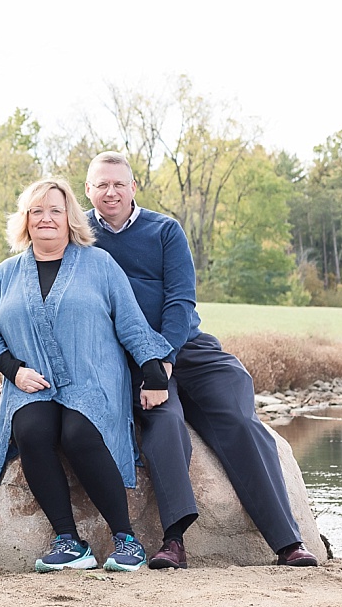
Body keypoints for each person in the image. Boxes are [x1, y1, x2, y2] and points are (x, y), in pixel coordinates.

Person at [85, 151, 319, 568]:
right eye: (101, 184)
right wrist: (148, 369)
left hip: (185, 345)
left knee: (237, 415)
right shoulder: (79, 233)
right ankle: (174, 540)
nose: (110, 192)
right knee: (165, 420)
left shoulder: (165, 230)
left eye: (119, 183)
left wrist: (166, 361)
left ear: (134, 187)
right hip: (127, 353)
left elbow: (180, 300)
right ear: (88, 190)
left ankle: (287, 542)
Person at [0, 177, 173, 573]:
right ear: (25, 220)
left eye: (55, 210)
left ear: (71, 218)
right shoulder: (8, 272)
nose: (46, 218)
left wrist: (155, 375)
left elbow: (131, 323)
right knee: (30, 430)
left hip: (92, 377)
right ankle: (69, 541)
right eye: (37, 211)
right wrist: (15, 372)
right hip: (33, 383)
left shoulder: (99, 264)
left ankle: (126, 540)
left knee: (78, 432)